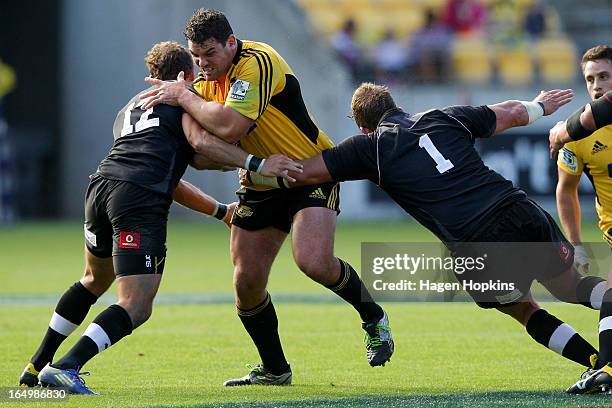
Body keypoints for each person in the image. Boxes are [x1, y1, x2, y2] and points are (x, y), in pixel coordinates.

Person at [249, 82, 610, 376]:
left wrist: (251, 166)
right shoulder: (445, 116)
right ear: (397, 105)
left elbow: (304, 172)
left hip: (476, 242)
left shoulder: (369, 147)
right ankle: (603, 364)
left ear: (363, 126)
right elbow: (514, 113)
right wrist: (540, 106)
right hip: (519, 209)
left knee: (524, 309)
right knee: (572, 288)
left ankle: (597, 363)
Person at [18, 41, 299, 394]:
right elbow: (201, 144)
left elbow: (170, 174)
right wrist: (255, 162)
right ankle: (66, 367)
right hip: (137, 200)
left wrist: (218, 211)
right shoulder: (181, 101)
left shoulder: (127, 109)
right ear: (186, 76)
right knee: (136, 304)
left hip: (101, 187)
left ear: (152, 76)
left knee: (93, 279)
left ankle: (37, 362)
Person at [140, 9, 393, 386]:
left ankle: (373, 317)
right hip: (260, 185)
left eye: (209, 53)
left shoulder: (257, 62)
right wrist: (242, 160)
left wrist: (183, 97)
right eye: (195, 56)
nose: (202, 64)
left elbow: (229, 125)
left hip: (310, 170)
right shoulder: (203, 88)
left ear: (230, 42)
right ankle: (275, 369)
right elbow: (201, 157)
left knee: (312, 261)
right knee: (246, 282)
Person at [552, 45, 612, 394]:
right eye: (590, 78)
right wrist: (575, 243)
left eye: (604, 76)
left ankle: (606, 367)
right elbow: (566, 189)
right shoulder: (578, 135)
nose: (596, 85)